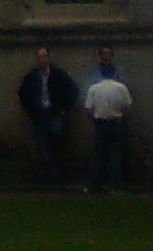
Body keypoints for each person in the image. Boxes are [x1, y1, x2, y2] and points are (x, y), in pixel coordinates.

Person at [18, 45, 81, 184]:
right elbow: (23, 94)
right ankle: (53, 174)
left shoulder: (58, 74)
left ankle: (57, 172)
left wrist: (64, 108)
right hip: (39, 113)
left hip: (55, 112)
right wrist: (31, 110)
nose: (42, 60)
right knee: (42, 144)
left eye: (45, 56)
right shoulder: (31, 76)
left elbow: (72, 90)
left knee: (56, 139)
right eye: (39, 57)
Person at [84, 50, 133, 191]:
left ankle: (94, 185)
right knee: (115, 155)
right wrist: (121, 118)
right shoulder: (121, 87)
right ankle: (116, 185)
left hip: (100, 122)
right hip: (116, 121)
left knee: (98, 155)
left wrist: (94, 120)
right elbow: (127, 107)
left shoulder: (94, 88)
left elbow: (88, 109)